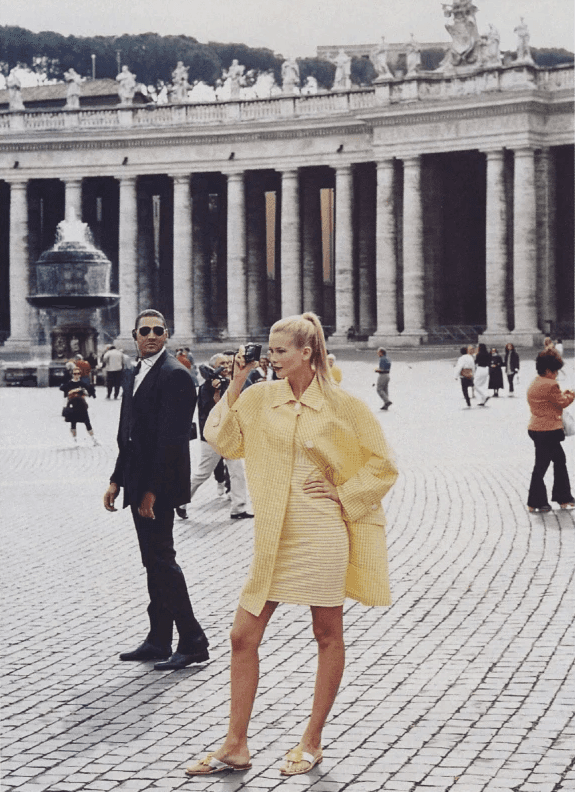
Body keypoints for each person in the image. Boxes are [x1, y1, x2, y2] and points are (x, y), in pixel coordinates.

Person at [186, 312, 397, 777]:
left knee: (326, 634)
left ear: (307, 352)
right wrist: (237, 383)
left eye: (280, 350)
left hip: (322, 533)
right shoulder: (260, 398)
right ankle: (235, 744)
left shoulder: (344, 406)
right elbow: (220, 438)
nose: (271, 357)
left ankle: (312, 741)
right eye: (269, 349)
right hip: (271, 535)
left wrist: (342, 493)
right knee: (242, 636)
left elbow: (383, 466)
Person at [103, 309, 209, 670]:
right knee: (153, 560)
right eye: (144, 330)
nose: (151, 335)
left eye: (158, 330)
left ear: (167, 335)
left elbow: (170, 441)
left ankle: (193, 639)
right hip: (136, 479)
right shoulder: (135, 371)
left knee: (162, 558)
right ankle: (159, 638)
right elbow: (128, 433)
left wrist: (150, 491)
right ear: (134, 335)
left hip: (158, 484)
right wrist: (117, 479)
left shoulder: (175, 375)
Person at [180, 359, 252, 521]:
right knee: (203, 473)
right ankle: (180, 501)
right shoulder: (207, 386)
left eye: (227, 363)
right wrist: (215, 390)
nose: (226, 366)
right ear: (213, 367)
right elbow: (210, 409)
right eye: (222, 363)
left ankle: (238, 508)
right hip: (213, 437)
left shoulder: (230, 383)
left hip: (230, 435)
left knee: (237, 472)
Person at [526, 349, 575, 513]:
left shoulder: (535, 382)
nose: (556, 374)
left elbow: (551, 400)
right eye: (555, 371)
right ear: (548, 370)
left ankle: (545, 500)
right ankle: (555, 499)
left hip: (536, 428)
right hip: (549, 430)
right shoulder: (550, 384)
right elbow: (562, 402)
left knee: (553, 462)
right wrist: (572, 393)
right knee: (546, 465)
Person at [60, 366, 98, 446]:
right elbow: (64, 391)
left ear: (80, 374)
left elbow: (89, 393)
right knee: (73, 423)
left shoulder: (82, 384)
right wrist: (74, 391)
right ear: (72, 374)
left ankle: (93, 439)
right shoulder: (69, 384)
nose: (76, 375)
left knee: (87, 422)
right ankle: (74, 440)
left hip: (82, 405)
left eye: (78, 373)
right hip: (73, 405)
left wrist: (85, 392)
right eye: (75, 374)